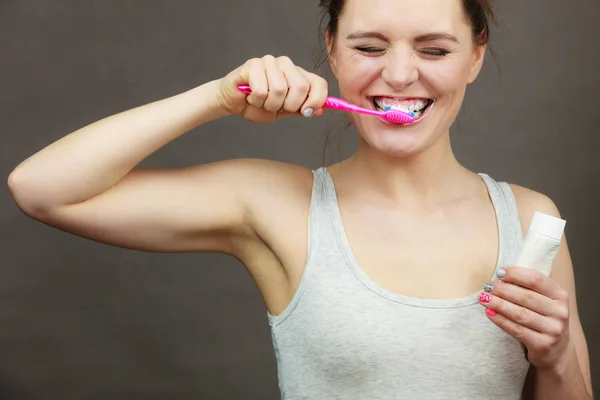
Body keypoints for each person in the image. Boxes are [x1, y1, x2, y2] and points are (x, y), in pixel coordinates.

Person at [7, 0, 593, 398]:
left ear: (476, 56)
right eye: (368, 47)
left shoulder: (529, 218)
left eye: (435, 50)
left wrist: (559, 356)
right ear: (332, 50)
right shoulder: (274, 204)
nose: (398, 73)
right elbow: (40, 189)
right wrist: (217, 96)